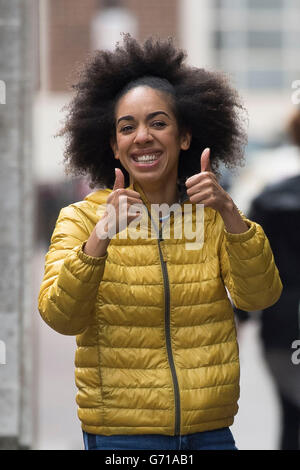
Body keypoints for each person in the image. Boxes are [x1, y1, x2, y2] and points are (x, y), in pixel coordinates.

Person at [38, 34, 282, 451]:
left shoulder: (212, 216)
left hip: (210, 433)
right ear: (114, 146)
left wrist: (229, 214)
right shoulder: (81, 218)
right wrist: (101, 236)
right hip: (121, 438)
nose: (143, 137)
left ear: (184, 137)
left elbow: (259, 297)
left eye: (158, 122)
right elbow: (62, 317)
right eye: (127, 127)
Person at [235, 109, 300, 450]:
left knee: (291, 419)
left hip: (281, 327)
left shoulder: (269, 199)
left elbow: (254, 266)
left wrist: (240, 318)